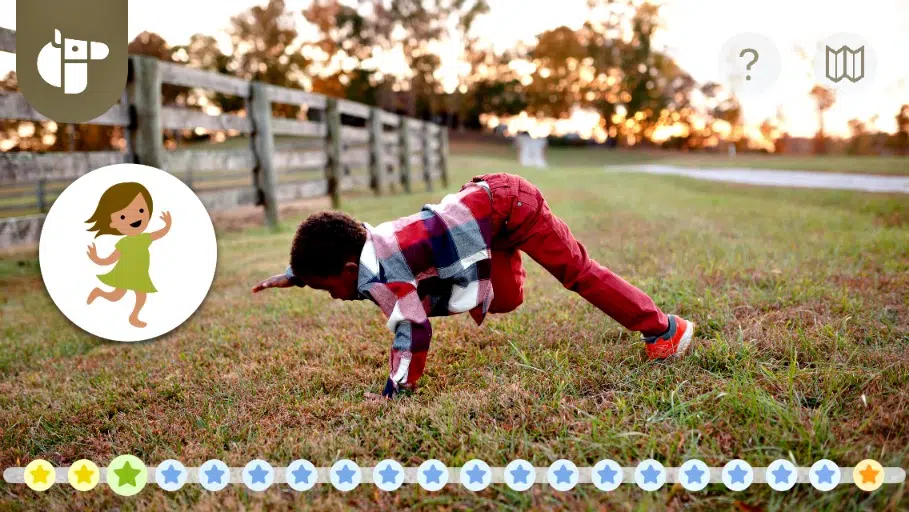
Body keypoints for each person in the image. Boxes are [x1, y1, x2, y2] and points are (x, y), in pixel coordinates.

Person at [253, 173, 694, 398]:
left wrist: (396, 389)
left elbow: (413, 330)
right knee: (505, 300)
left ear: (350, 270)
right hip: (484, 220)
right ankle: (501, 258)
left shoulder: (382, 275)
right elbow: (333, 261)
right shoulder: (365, 245)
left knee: (576, 272)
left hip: (512, 205)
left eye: (327, 288)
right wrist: (294, 277)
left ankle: (665, 329)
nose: (334, 297)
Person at [85, 182, 172, 328]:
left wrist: (167, 225)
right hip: (124, 272)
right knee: (116, 296)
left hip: (140, 273)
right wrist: (97, 259)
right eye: (123, 217)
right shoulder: (123, 243)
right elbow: (111, 259)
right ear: (112, 224)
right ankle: (99, 292)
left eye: (140, 210)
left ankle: (134, 316)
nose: (134, 218)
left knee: (141, 295)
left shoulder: (145, 238)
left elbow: (159, 234)